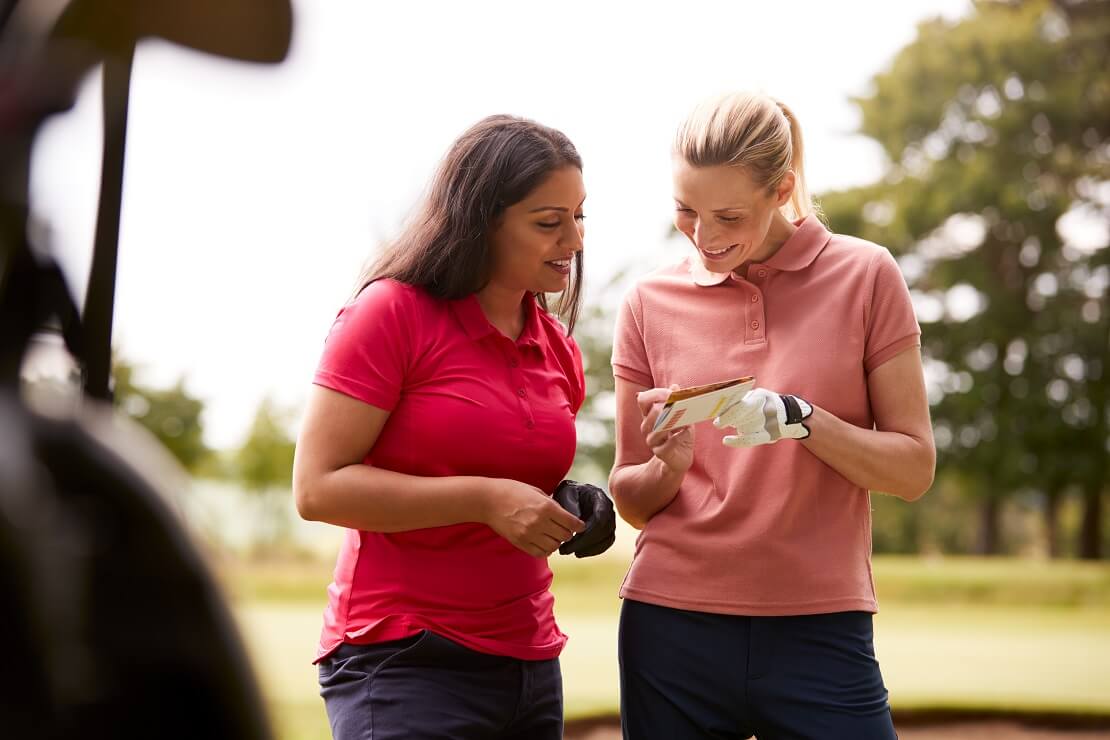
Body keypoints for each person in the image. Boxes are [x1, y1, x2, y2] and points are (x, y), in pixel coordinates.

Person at [609, 91, 936, 739]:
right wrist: (668, 469)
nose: (703, 237)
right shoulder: (648, 303)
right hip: (672, 629)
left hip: (820, 628)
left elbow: (912, 469)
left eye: (727, 216)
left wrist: (801, 417)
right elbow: (632, 497)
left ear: (781, 189)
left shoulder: (866, 277)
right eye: (685, 211)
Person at [293, 114, 610, 740]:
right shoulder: (390, 314)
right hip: (404, 656)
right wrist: (484, 499)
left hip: (528, 663)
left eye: (579, 217)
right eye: (549, 223)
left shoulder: (558, 349)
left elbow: (510, 471)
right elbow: (317, 488)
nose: (573, 241)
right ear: (483, 223)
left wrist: (567, 501)